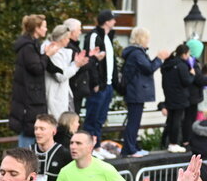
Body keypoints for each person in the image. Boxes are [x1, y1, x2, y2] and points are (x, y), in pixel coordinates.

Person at [9, 15, 65, 149]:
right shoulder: (28, 47)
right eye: (44, 26)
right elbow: (37, 68)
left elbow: (38, 64)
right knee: (28, 141)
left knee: (33, 136)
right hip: (29, 101)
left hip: (32, 101)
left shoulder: (32, 45)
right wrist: (47, 55)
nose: (46, 29)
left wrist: (45, 56)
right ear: (37, 28)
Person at [119, 27, 168, 157]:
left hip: (135, 92)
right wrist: (159, 58)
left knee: (134, 121)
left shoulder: (136, 53)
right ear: (141, 38)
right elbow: (149, 68)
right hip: (135, 92)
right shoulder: (137, 53)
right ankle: (130, 149)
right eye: (147, 38)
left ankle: (132, 147)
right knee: (133, 122)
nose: (148, 41)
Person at [83, 10, 118, 144]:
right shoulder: (94, 36)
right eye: (113, 19)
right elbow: (91, 61)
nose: (115, 21)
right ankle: (89, 148)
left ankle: (96, 146)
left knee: (100, 118)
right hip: (99, 86)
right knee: (92, 117)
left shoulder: (108, 37)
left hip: (108, 84)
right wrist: (95, 82)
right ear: (107, 21)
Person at [32, 114, 71, 181]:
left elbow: (76, 179)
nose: (38, 132)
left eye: (42, 129)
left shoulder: (65, 154)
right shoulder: (28, 152)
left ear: (54, 131)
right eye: (36, 128)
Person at [160, 44, 193, 153]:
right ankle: (173, 143)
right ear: (184, 54)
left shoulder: (167, 64)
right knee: (176, 121)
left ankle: (169, 143)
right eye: (188, 54)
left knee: (171, 120)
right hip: (179, 98)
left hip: (169, 96)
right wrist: (192, 74)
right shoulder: (181, 65)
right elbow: (186, 81)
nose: (188, 57)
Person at [45, 24, 82, 120]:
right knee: (58, 125)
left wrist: (75, 63)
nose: (69, 41)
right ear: (62, 39)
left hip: (61, 95)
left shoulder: (62, 52)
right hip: (55, 96)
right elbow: (60, 76)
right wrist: (76, 65)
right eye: (68, 38)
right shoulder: (53, 52)